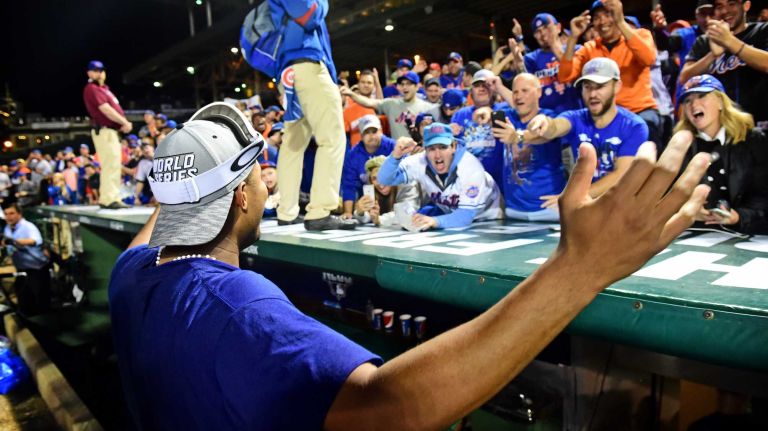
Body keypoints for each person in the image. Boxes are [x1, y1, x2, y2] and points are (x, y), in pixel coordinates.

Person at [109, 100, 711, 430]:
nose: (270, 181)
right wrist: (578, 270)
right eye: (258, 175)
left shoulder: (130, 276)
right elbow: (388, 407)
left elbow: (173, 210)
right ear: (242, 196)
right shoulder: (241, 308)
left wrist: (187, 160)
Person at [271, 0, 356, 231]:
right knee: (333, 138)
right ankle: (320, 211)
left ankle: (287, 212)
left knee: (293, 144)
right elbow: (309, 14)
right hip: (307, 66)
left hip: (289, 70)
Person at [526, 57, 648, 208]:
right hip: (585, 208)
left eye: (600, 86)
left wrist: (574, 198)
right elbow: (556, 126)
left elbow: (621, 175)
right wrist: (544, 121)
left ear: (617, 86)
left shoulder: (634, 126)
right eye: (587, 87)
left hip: (621, 208)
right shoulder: (576, 118)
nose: (592, 94)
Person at [559, 1, 662, 146]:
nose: (602, 21)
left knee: (645, 145)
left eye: (608, 14)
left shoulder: (641, 34)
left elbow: (648, 58)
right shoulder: (589, 48)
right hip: (605, 116)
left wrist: (620, 21)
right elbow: (564, 76)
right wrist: (573, 38)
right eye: (597, 17)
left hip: (640, 111)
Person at [674, 75, 768, 234]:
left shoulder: (753, 140)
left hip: (749, 234)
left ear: (720, 102)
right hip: (696, 233)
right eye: (687, 100)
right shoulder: (679, 145)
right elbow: (667, 196)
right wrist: (686, 211)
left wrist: (738, 217)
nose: (693, 104)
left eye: (702, 96)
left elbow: (763, 196)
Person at [378, 123, 502, 230]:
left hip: (491, 218)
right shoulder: (420, 161)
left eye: (443, 147)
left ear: (453, 146)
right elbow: (384, 179)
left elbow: (465, 216)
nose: (437, 155)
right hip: (453, 217)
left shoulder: (470, 166)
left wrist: (434, 221)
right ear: (425, 149)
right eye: (431, 148)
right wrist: (396, 156)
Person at [680, 0, 768, 129]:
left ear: (746, 5)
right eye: (720, 6)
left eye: (732, 4)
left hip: (760, 124)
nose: (725, 11)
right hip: (720, 128)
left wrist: (730, 42)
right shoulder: (704, 41)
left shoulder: (762, 31)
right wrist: (712, 56)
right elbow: (684, 78)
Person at [492, 74, 566, 221]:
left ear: (538, 92)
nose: (519, 96)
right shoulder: (507, 117)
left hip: (548, 211)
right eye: (515, 92)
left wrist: (517, 136)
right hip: (513, 211)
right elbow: (484, 111)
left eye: (525, 91)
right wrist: (481, 113)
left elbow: (542, 134)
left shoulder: (549, 117)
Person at [82, 60, 132, 209]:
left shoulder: (104, 89)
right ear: (89, 73)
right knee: (111, 164)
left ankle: (110, 197)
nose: (99, 73)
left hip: (111, 131)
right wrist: (124, 122)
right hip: (104, 130)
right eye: (95, 70)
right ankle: (109, 199)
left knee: (114, 164)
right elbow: (105, 109)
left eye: (101, 70)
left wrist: (120, 124)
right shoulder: (92, 88)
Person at [342, 71, 439, 140]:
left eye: (409, 84)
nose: (405, 87)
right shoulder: (391, 104)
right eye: (402, 84)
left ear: (417, 87)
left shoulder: (429, 108)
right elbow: (369, 102)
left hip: (420, 154)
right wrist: (351, 94)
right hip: (399, 155)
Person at [449, 69, 506, 186]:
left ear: (494, 89)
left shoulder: (505, 110)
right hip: (468, 181)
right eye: (477, 85)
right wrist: (448, 134)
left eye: (486, 85)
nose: (482, 88)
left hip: (500, 181)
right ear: (471, 91)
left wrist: (500, 88)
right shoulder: (460, 115)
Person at [523, 13, 583, 114]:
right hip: (545, 118)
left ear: (558, 28)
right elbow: (526, 91)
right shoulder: (530, 59)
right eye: (538, 31)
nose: (543, 34)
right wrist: (519, 65)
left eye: (546, 28)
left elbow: (575, 75)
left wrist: (554, 45)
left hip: (574, 115)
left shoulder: (576, 50)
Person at [341, 115, 395, 219]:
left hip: (395, 198)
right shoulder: (352, 155)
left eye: (374, 131)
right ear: (361, 135)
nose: (371, 136)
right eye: (367, 132)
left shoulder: (394, 148)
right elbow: (349, 186)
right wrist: (348, 212)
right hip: (370, 200)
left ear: (381, 131)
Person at [3, 203, 50, 316]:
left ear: (19, 214)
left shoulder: (28, 226)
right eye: (6, 214)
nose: (8, 217)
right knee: (24, 301)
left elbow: (35, 240)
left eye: (12, 213)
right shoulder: (7, 228)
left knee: (40, 304)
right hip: (22, 269)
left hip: (37, 270)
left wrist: (14, 241)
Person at [352, 155, 421, 226]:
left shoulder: (406, 184)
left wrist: (380, 220)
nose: (380, 183)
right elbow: (370, 216)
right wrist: (360, 212)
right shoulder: (373, 191)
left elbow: (407, 213)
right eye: (375, 178)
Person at [343, 70, 378, 146]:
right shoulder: (348, 110)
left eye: (369, 82)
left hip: (380, 154)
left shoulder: (379, 106)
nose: (366, 85)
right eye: (363, 82)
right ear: (358, 84)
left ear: (374, 86)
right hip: (357, 155)